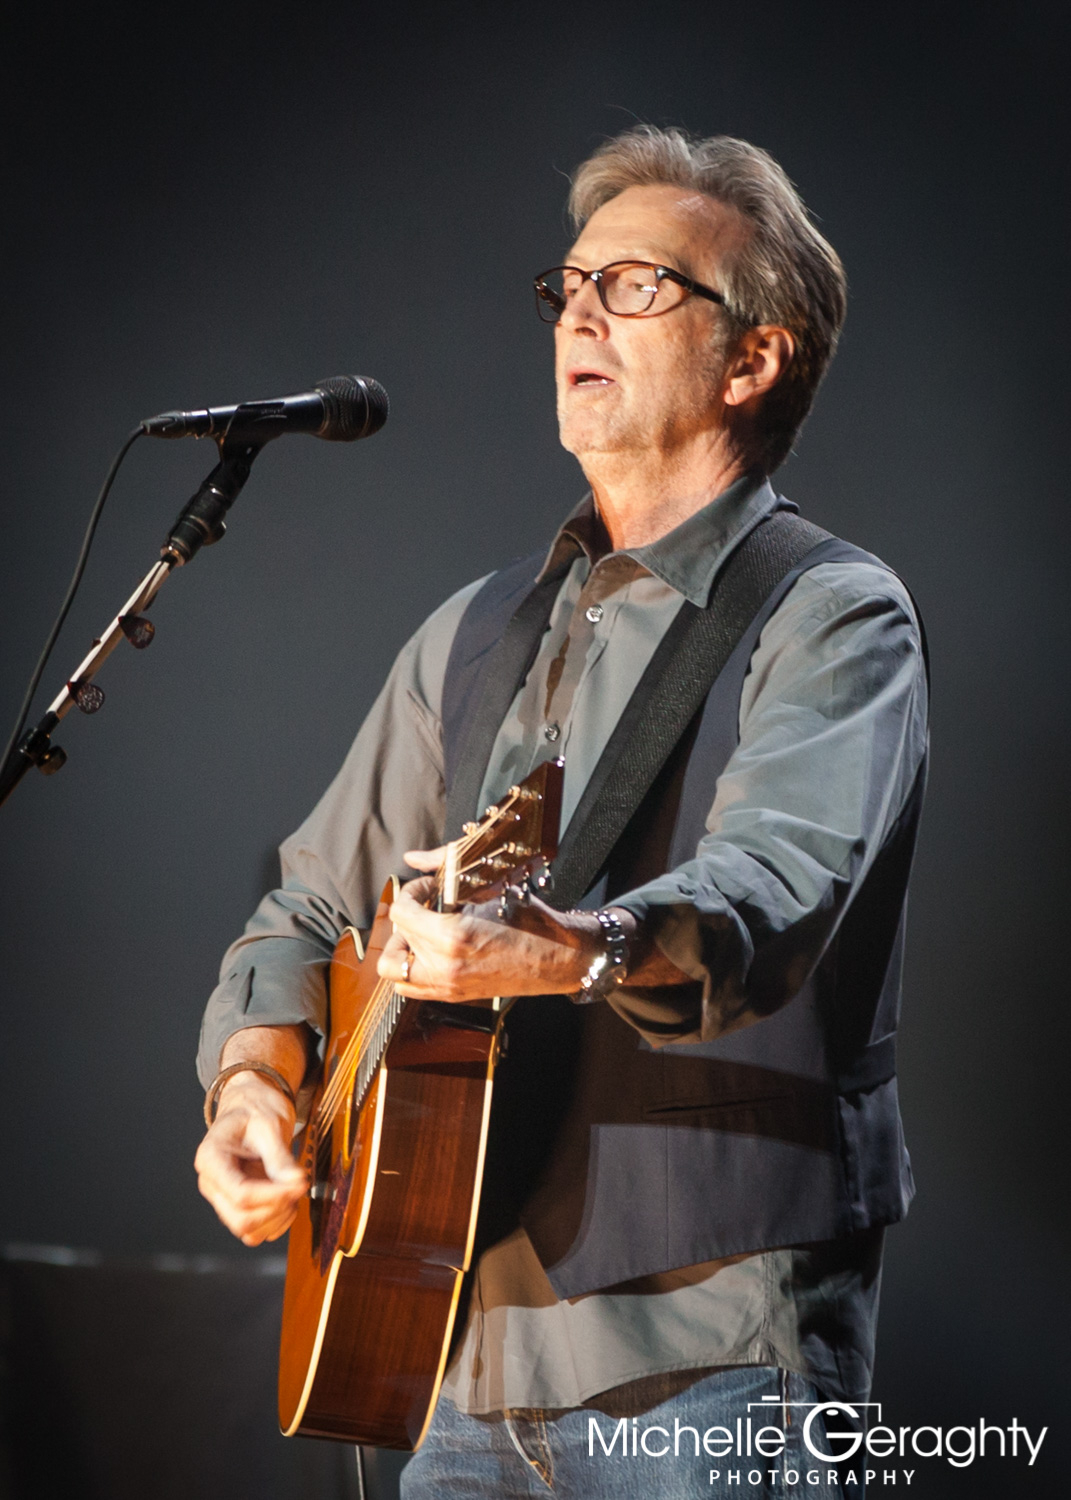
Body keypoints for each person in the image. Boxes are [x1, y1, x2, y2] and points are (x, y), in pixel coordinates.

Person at [194, 126, 928, 1498]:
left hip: (710, 1366)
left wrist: (575, 948)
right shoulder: (469, 636)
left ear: (751, 358)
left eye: (638, 284)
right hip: (456, 1372)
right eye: (571, 285)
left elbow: (775, 888)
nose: (580, 310)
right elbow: (305, 904)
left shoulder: (831, 614)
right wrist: (253, 1080)